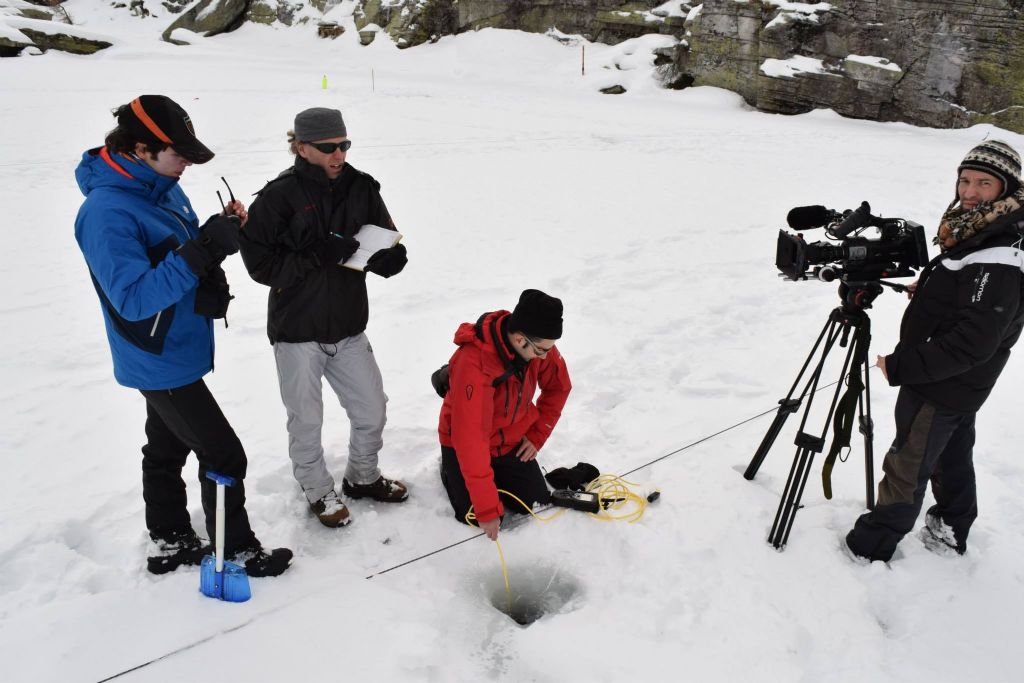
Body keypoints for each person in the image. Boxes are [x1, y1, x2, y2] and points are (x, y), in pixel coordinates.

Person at [74, 95, 292, 577]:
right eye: (179, 154)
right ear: (139, 147)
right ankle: (234, 552)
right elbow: (132, 297)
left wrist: (220, 230)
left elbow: (182, 249)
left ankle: (171, 538)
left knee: (168, 444)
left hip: (178, 345)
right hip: (155, 355)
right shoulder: (106, 212)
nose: (187, 165)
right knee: (224, 454)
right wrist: (204, 249)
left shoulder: (162, 186)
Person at [846, 140, 1024, 562]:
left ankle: (873, 544)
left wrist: (904, 365)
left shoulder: (999, 251)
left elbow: (974, 340)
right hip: (961, 386)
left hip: (942, 381)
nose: (970, 192)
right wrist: (929, 289)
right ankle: (952, 524)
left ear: (1006, 190)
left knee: (908, 461)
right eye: (965, 180)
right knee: (951, 454)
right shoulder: (983, 230)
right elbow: (971, 298)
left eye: (984, 183)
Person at [239, 107, 409, 529]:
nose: (339, 155)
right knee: (307, 420)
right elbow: (259, 266)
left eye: (344, 145)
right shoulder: (278, 196)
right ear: (301, 147)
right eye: (328, 147)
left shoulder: (361, 186)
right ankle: (317, 490)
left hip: (349, 325)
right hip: (297, 332)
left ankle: (363, 477)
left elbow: (383, 234)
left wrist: (391, 258)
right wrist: (315, 256)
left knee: (372, 409)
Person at [438, 289, 573, 540]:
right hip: (463, 443)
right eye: (542, 350)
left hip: (510, 440)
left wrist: (536, 435)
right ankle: (449, 468)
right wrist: (487, 508)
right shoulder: (474, 364)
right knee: (478, 518)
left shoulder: (537, 346)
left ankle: (494, 476)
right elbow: (470, 439)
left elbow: (559, 387)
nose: (546, 356)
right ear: (521, 339)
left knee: (536, 503)